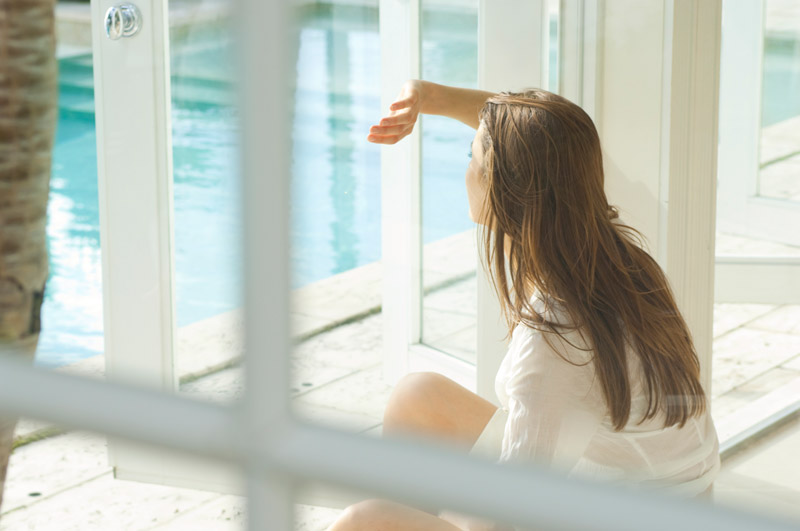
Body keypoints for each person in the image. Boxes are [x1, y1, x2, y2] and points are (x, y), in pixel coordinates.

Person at [325, 80, 721, 531]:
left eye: (472, 158)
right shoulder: (616, 258)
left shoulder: (555, 335)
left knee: (363, 522)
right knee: (420, 397)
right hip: (655, 490)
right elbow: (540, 138)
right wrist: (429, 98)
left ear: (502, 186)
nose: (467, 168)